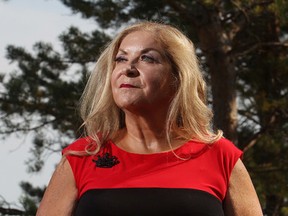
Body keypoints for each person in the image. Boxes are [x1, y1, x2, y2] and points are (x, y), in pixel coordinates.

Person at [37, 21, 263, 216]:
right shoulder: (81, 157)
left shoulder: (220, 155)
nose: (128, 69)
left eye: (147, 58)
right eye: (121, 59)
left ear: (178, 77)